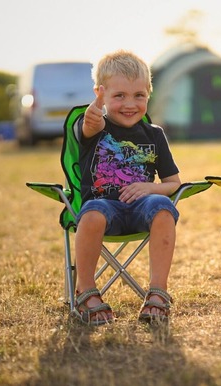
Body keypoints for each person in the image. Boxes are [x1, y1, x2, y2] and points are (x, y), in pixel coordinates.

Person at [74, 50, 181, 324]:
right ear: (101, 94)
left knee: (164, 208)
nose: (130, 104)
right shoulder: (96, 128)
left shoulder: (154, 135)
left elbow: (173, 183)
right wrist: (94, 112)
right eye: (119, 96)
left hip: (141, 209)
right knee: (92, 212)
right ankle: (85, 287)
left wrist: (149, 188)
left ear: (148, 94)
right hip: (103, 207)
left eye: (139, 95)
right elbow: (90, 123)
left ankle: (158, 291)